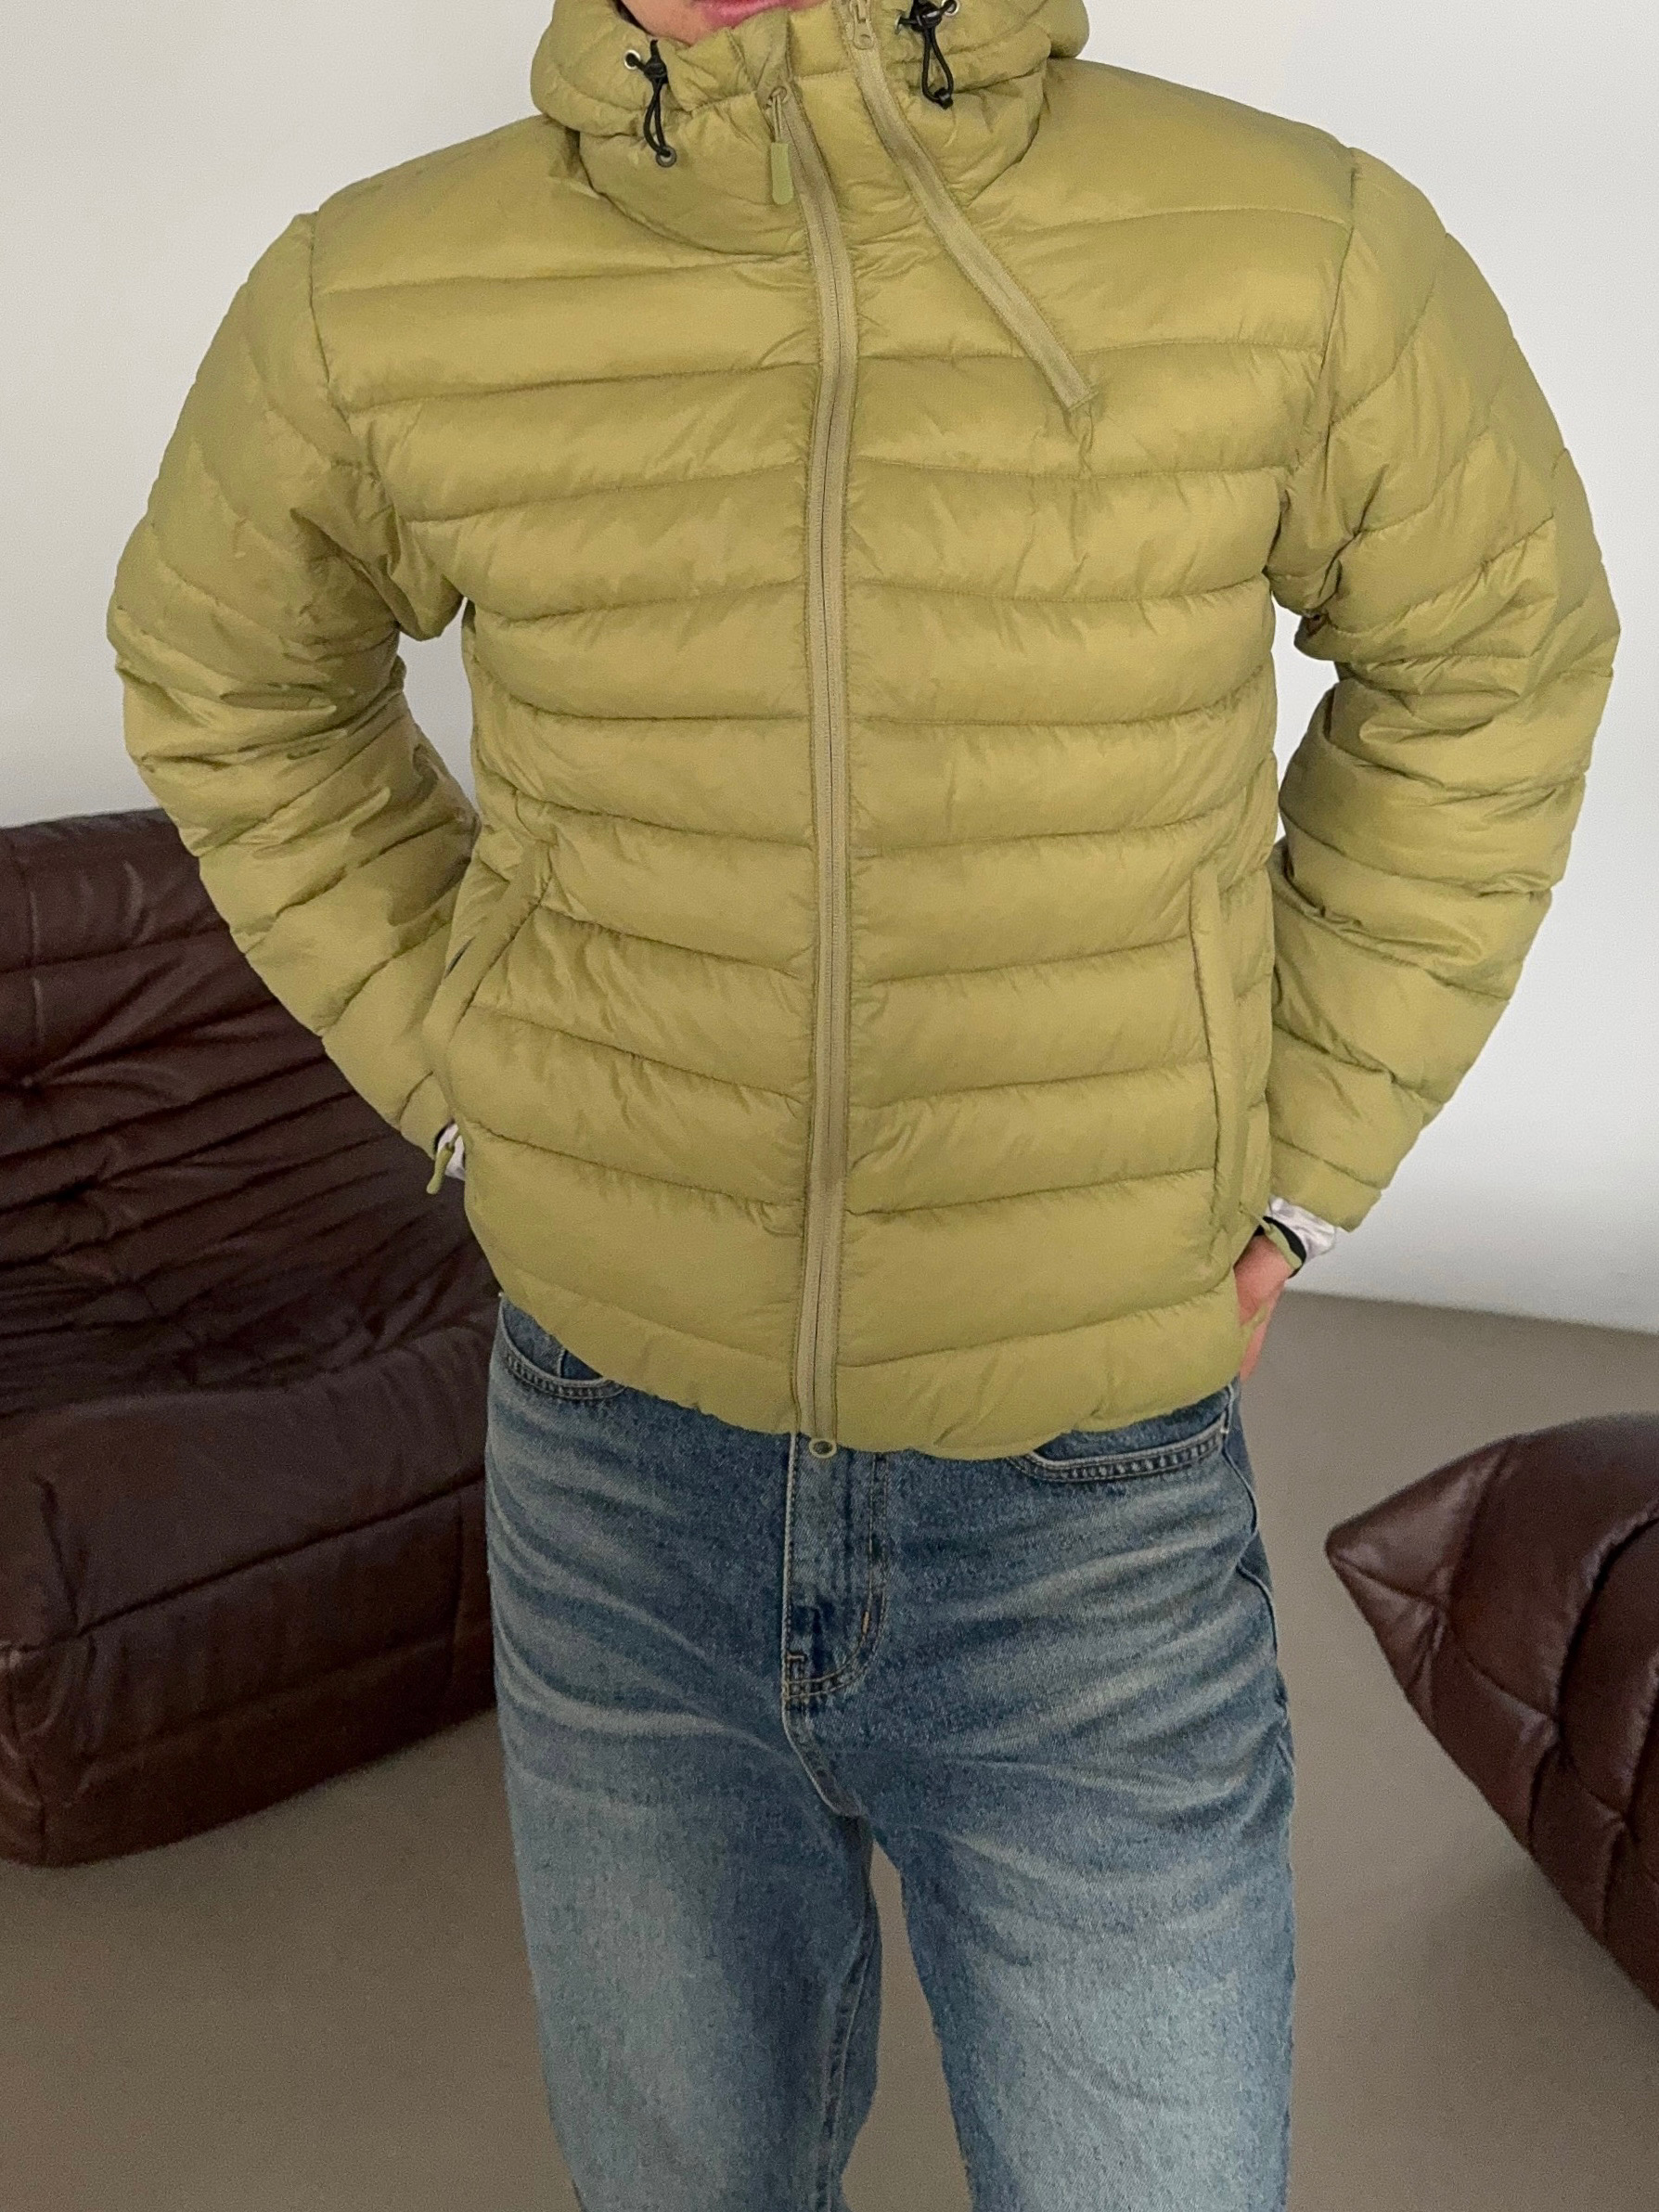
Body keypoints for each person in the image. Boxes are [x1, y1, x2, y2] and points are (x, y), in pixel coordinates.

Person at [107, 0, 1619, 2201]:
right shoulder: (375, 292)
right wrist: (466, 1059)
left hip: (1086, 1491)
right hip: (613, 1466)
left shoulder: (1296, 249)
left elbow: (1497, 650)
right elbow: (226, 669)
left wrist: (1295, 1154)